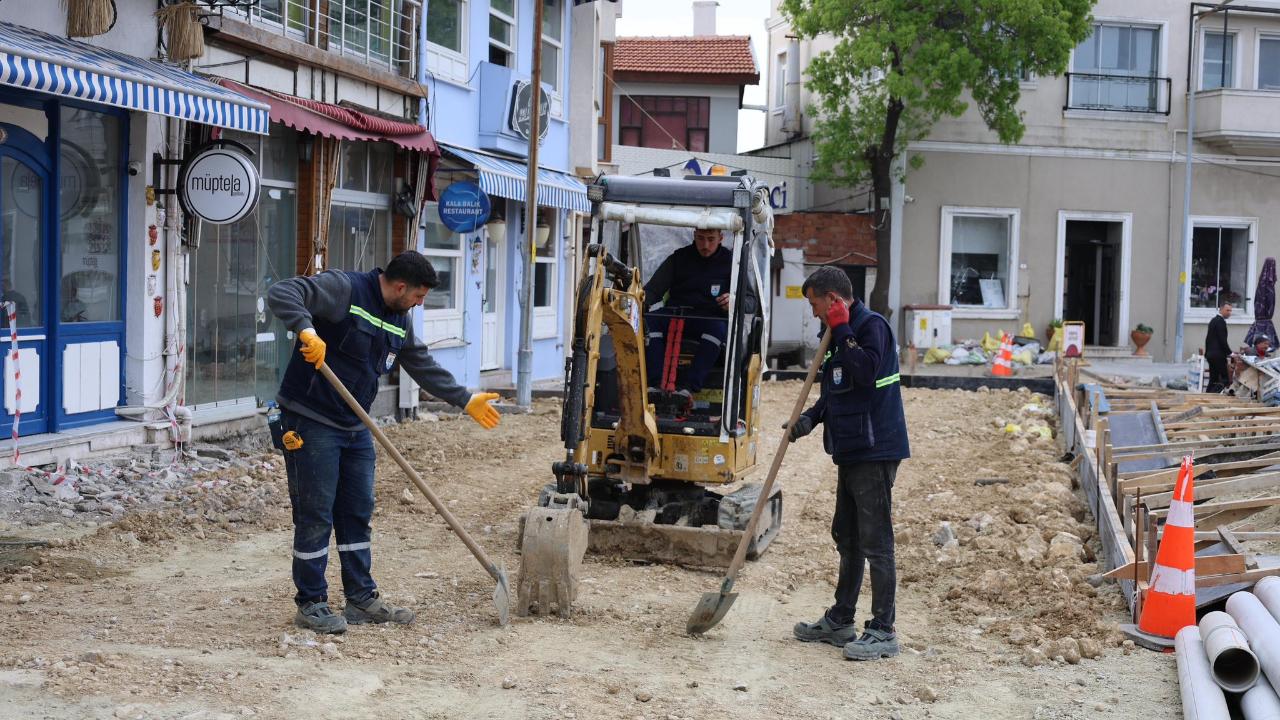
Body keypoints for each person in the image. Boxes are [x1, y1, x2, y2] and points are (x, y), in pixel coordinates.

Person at [267, 251, 502, 635]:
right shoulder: (345, 290)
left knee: (357, 511)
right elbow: (284, 292)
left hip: (355, 423)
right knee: (316, 514)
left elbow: (421, 364)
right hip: (311, 420)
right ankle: (311, 603)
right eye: (419, 296)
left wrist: (464, 398)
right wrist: (306, 330)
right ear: (400, 286)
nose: (420, 304)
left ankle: (360, 598)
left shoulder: (398, 319)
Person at [784, 266, 910, 661]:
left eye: (815, 304)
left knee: (875, 541)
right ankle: (841, 620)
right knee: (848, 535)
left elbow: (866, 372)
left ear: (833, 299)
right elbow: (837, 389)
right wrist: (810, 419)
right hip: (852, 448)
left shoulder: (870, 327)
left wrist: (842, 330)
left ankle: (884, 630)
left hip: (876, 448)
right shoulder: (836, 334)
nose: (814, 313)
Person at [643, 228, 732, 404]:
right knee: (649, 321)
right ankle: (655, 385)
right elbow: (653, 290)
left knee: (718, 328)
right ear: (694, 235)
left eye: (711, 239)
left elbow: (750, 301)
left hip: (708, 318)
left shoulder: (732, 262)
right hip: (675, 312)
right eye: (700, 238)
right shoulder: (678, 258)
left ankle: (688, 388)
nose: (705, 245)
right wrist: (639, 301)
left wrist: (734, 299)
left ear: (721, 238)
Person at [1205, 302, 1232, 392]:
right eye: (1227, 310)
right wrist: (1230, 353)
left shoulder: (1213, 320)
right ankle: (1214, 395)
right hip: (1218, 355)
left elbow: (1208, 339)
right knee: (1225, 379)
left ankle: (1207, 396)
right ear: (1221, 310)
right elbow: (1222, 340)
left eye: (1230, 311)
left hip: (1211, 355)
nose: (1229, 313)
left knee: (1213, 379)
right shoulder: (1220, 322)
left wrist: (1207, 353)